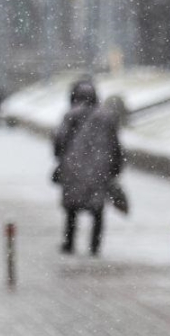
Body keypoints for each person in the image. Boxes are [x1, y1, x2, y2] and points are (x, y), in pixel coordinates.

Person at [53, 80, 125, 256]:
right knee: (97, 209)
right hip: (100, 169)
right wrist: (115, 168)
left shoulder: (70, 116)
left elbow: (59, 141)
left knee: (72, 208)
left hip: (73, 169)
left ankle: (69, 243)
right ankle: (95, 246)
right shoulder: (107, 117)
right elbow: (116, 146)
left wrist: (62, 159)